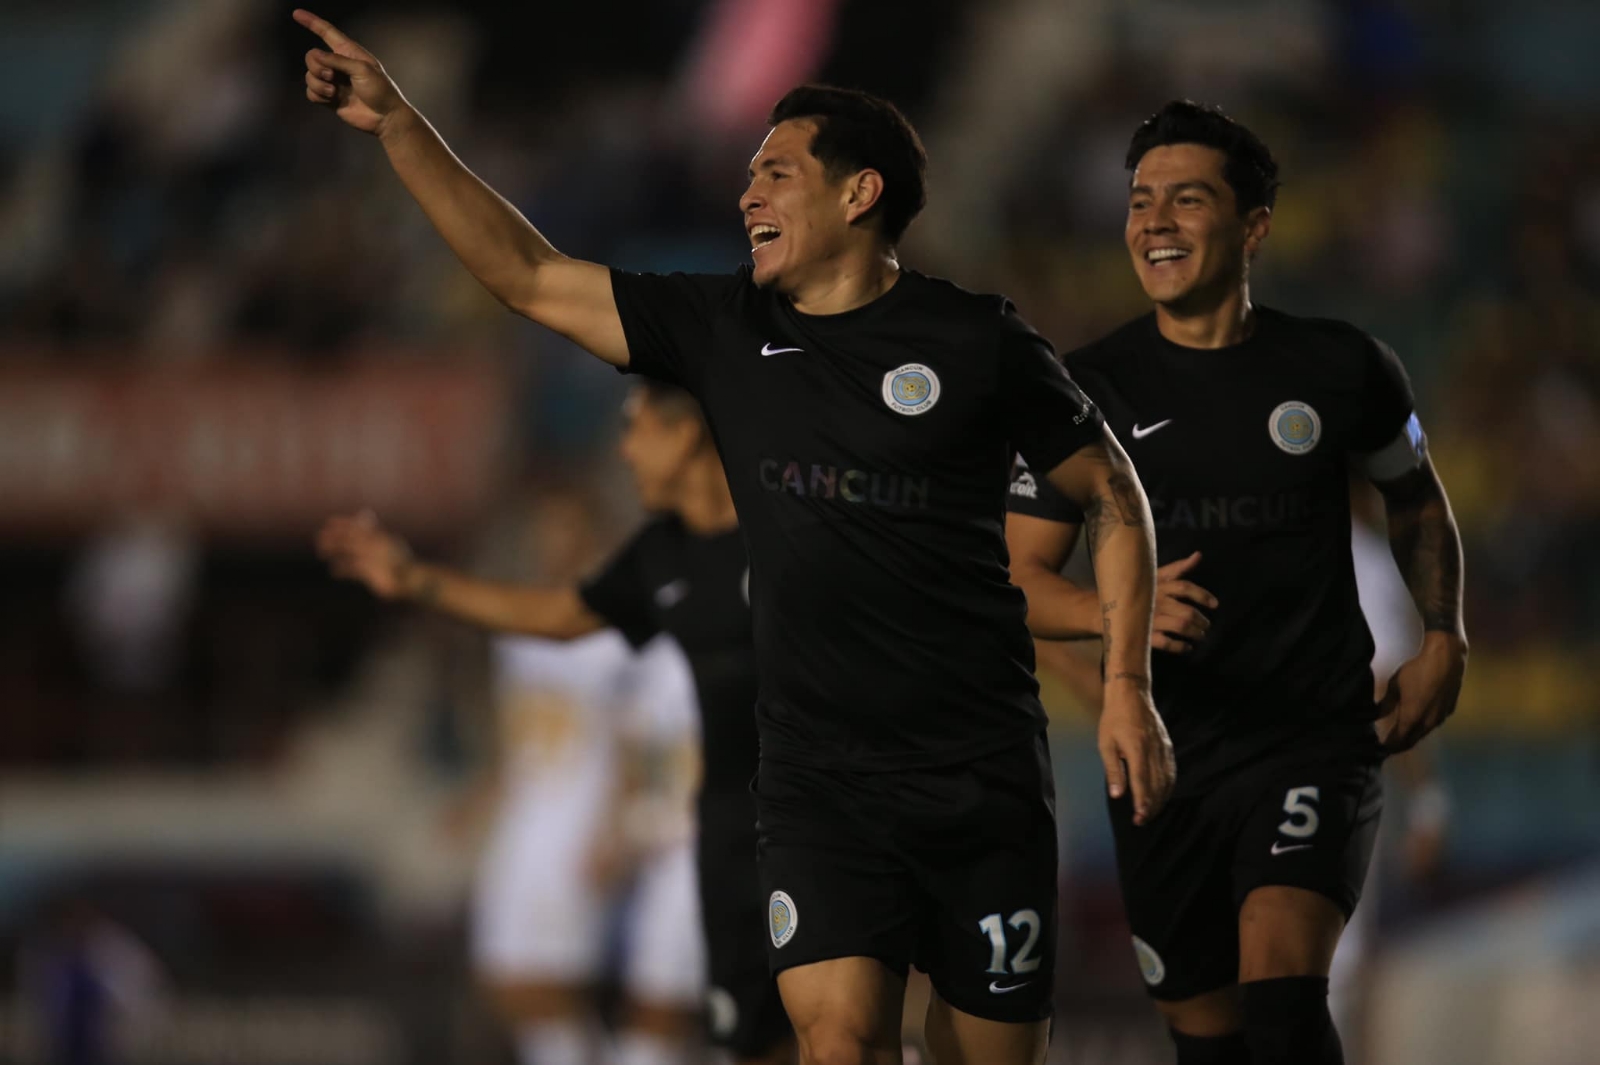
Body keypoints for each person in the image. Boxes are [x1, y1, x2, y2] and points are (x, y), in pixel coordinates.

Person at [296, 12, 1174, 1064]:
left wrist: (1123, 685)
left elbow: (1113, 494)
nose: (748, 195)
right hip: (813, 786)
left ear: (860, 194)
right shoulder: (722, 332)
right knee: (836, 1042)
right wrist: (399, 126)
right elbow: (529, 277)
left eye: (779, 174)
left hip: (975, 775)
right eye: (749, 174)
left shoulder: (977, 342)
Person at [1006, 100, 1467, 1065]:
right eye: (1140, 201)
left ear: (1254, 226)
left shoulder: (1343, 368)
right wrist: (1113, 613)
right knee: (1209, 1043)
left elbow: (1415, 500)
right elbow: (1017, 581)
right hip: (1163, 763)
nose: (1155, 221)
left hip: (1310, 740)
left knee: (1287, 1005)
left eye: (1187, 199)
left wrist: (1443, 635)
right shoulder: (1078, 393)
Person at [319, 382, 795, 1065]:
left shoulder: (772, 557)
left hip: (758, 835)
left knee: (786, 1023)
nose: (625, 451)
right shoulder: (654, 567)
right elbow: (563, 632)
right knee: (686, 1021)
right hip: (680, 839)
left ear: (689, 441)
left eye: (638, 432)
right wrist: (420, 581)